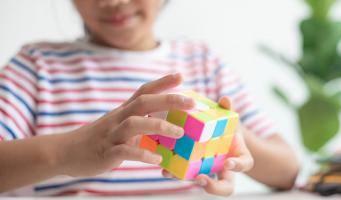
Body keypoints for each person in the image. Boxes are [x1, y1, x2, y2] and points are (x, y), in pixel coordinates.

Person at [0, 0, 299, 196]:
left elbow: (288, 172)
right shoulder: (36, 64)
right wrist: (67, 152)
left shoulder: (203, 62)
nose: (111, 2)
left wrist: (229, 138)